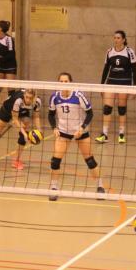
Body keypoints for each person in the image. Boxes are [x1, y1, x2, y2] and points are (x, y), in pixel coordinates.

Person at [48, 72, 105, 201]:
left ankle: (100, 186)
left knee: (90, 160)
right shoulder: (54, 97)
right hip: (63, 132)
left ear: (70, 83)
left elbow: (90, 113)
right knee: (55, 161)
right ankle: (53, 188)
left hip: (80, 132)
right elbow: (50, 114)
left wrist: (82, 128)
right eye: (61, 82)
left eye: (66, 81)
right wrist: (54, 128)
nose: (63, 84)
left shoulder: (78, 95)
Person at [96, 30, 136, 144]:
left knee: (121, 109)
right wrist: (101, 86)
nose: (116, 40)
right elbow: (105, 70)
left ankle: (121, 134)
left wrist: (134, 87)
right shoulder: (110, 51)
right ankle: (104, 134)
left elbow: (134, 71)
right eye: (115, 38)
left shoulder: (129, 52)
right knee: (107, 108)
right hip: (111, 82)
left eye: (118, 38)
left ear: (123, 39)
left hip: (124, 83)